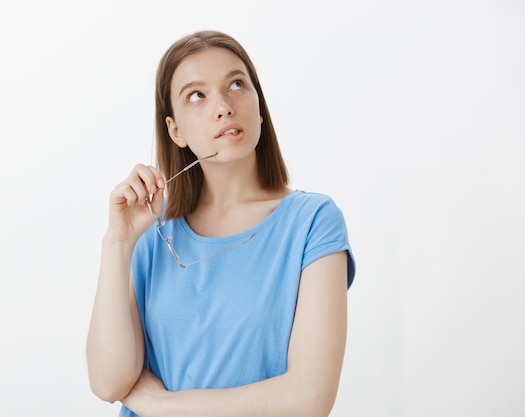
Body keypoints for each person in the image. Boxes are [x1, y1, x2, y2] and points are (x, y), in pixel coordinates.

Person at [86, 30, 356, 417]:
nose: (224, 106)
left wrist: (160, 405)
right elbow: (108, 382)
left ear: (259, 107)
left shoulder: (313, 223)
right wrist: (118, 242)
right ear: (175, 130)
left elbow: (308, 400)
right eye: (197, 95)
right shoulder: (151, 235)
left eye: (236, 85)